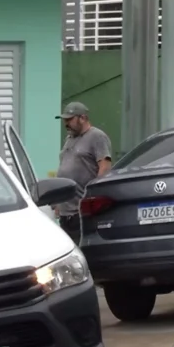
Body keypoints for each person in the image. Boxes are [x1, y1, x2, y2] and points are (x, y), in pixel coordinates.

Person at [55, 101, 112, 242]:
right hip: (65, 211)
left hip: (81, 211)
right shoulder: (69, 139)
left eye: (69, 119)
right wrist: (57, 202)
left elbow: (104, 167)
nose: (66, 124)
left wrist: (93, 197)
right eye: (64, 120)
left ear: (83, 118)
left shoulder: (97, 136)